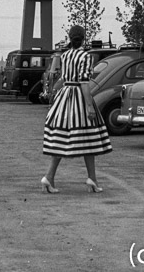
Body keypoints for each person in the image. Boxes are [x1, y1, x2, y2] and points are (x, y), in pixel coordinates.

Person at [41, 25, 111, 193]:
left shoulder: (65, 56)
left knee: (62, 137)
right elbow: (84, 82)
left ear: (70, 38)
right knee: (89, 136)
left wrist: (54, 98)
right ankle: (88, 178)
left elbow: (63, 79)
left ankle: (54, 177)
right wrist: (89, 106)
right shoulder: (85, 56)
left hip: (65, 95)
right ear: (83, 38)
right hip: (79, 96)